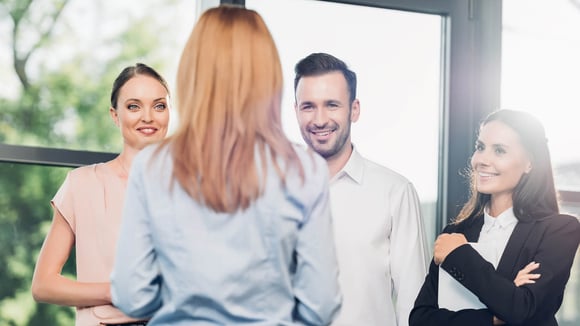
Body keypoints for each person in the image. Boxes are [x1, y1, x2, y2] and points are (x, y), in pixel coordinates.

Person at [110, 5, 342, 326]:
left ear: (193, 71)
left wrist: (185, 295)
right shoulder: (304, 169)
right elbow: (321, 306)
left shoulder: (153, 165)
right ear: (268, 74)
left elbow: (131, 295)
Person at [293, 52, 429, 326]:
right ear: (295, 110)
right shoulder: (270, 191)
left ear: (354, 109)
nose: (319, 120)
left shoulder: (395, 192)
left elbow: (413, 303)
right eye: (308, 106)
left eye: (332, 105)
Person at [409, 109, 580, 326]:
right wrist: (494, 317)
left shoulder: (558, 230)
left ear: (530, 163)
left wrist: (460, 255)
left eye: (499, 151)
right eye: (480, 147)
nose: (481, 160)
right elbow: (420, 319)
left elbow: (524, 310)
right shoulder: (454, 233)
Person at [31, 63, 171, 326]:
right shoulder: (81, 184)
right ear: (115, 115)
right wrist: (113, 292)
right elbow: (43, 285)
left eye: (159, 105)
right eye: (133, 106)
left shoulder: (193, 188)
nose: (148, 117)